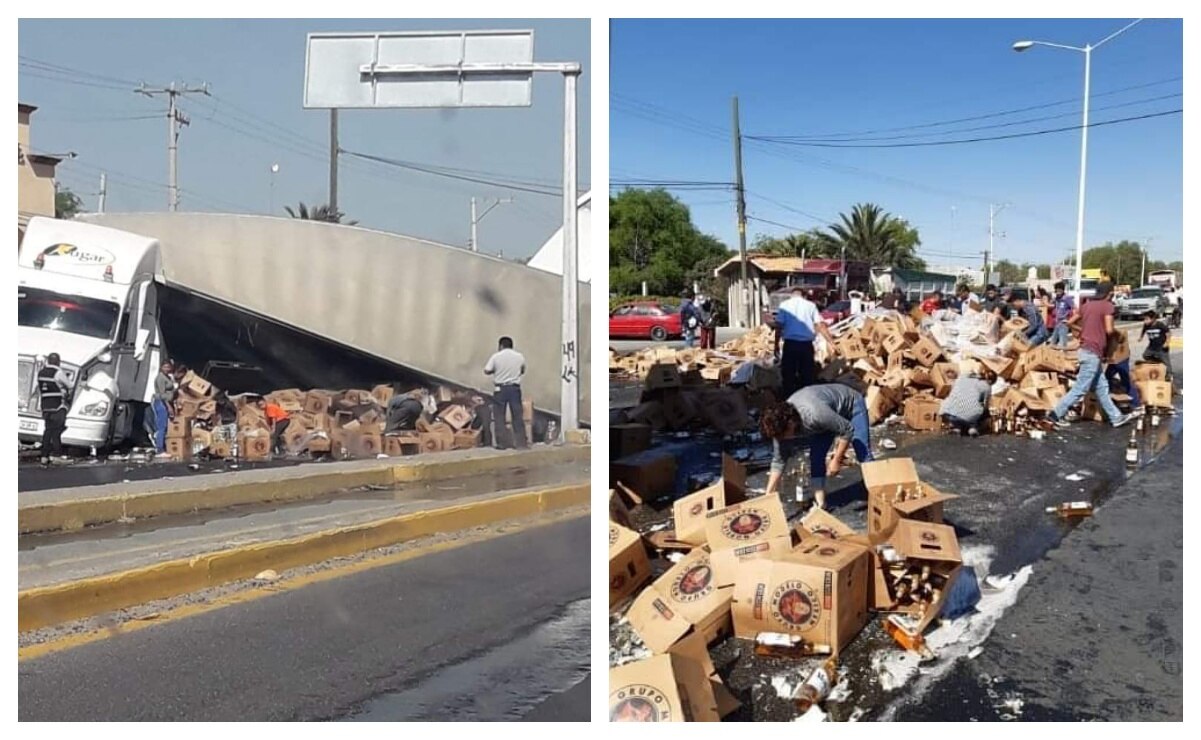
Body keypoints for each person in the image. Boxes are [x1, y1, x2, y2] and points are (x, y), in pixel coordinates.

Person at [760, 384, 874, 510]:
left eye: (783, 435)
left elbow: (847, 429)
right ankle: (821, 504)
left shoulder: (814, 414)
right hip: (826, 418)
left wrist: (837, 459)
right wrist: (768, 495)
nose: (783, 440)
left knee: (862, 452)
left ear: (790, 424)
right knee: (816, 457)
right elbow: (778, 461)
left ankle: (877, 492)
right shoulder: (779, 429)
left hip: (851, 406)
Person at [1049, 282, 1134, 428]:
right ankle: (1055, 415)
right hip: (1093, 352)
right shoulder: (1108, 306)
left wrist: (1083, 332)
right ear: (1109, 293)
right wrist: (1118, 334)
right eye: (1112, 293)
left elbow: (1069, 323)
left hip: (1086, 350)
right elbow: (1109, 330)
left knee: (1101, 387)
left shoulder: (1086, 305)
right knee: (1080, 388)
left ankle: (1116, 417)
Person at [773, 286, 839, 399]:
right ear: (804, 296)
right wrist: (831, 342)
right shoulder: (811, 305)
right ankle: (807, 399)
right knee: (807, 374)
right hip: (806, 346)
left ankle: (788, 399)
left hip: (790, 345)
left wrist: (776, 345)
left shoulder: (784, 305)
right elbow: (820, 325)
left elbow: (779, 326)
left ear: (792, 295)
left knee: (788, 374)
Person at [484, 335, 527, 449]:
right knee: (517, 415)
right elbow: (522, 370)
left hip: (500, 389)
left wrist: (497, 371)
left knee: (499, 416)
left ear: (501, 346)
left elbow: (487, 370)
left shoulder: (496, 357)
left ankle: (502, 443)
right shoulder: (519, 356)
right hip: (514, 389)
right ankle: (521, 443)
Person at [37, 352, 72, 465]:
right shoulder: (58, 372)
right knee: (56, 432)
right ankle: (57, 456)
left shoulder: (41, 372)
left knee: (47, 431)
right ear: (58, 362)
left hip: (45, 406)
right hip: (58, 406)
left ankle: (44, 456)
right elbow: (70, 385)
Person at [939, 369, 993, 436]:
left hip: (947, 414)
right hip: (967, 416)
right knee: (982, 412)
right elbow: (985, 406)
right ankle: (973, 428)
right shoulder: (986, 386)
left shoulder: (962, 377)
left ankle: (957, 427)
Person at [1140, 310, 1174, 381]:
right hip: (1151, 346)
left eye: (1146, 319)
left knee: (1166, 362)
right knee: (1145, 355)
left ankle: (1169, 375)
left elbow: (1168, 333)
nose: (1145, 321)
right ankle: (1157, 363)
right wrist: (1141, 337)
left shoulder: (1160, 325)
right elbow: (1143, 330)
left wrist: (1166, 343)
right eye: (1144, 319)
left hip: (1161, 347)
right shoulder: (1146, 325)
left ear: (1153, 319)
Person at [151, 360, 176, 454]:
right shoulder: (160, 378)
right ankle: (160, 449)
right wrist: (169, 407)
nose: (167, 369)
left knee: (166, 426)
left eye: (168, 367)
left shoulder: (168, 377)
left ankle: (164, 446)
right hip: (162, 403)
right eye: (165, 367)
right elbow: (162, 395)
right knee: (162, 426)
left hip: (168, 402)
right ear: (161, 367)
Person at [1049, 281, 1076, 348]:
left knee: (1062, 342)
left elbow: (1075, 308)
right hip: (1057, 322)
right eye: (1056, 290)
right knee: (1053, 341)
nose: (1058, 292)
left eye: (1059, 290)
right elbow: (1053, 306)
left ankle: (1063, 353)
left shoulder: (1067, 298)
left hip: (1064, 323)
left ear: (1062, 290)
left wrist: (1071, 320)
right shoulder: (1057, 299)